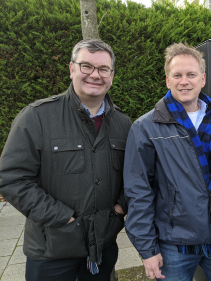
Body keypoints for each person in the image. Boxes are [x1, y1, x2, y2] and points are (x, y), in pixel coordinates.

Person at [0, 39, 132, 281]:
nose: (95, 75)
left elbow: (135, 175)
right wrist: (63, 218)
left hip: (103, 247)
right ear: (72, 69)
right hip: (51, 251)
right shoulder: (37, 117)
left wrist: (119, 209)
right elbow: (12, 178)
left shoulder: (123, 124)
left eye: (103, 69)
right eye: (86, 66)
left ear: (112, 75)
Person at [123, 42, 211, 281]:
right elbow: (138, 192)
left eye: (191, 74)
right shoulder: (146, 128)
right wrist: (148, 249)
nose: (185, 81)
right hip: (173, 245)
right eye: (177, 75)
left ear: (202, 79)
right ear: (167, 80)